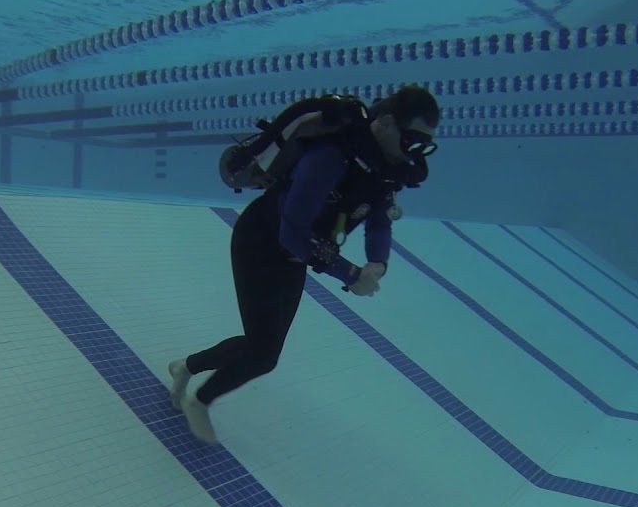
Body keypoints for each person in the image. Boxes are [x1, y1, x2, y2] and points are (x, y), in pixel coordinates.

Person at [167, 84, 440, 444]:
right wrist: (350, 273)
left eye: (424, 144)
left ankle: (186, 367)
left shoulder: (384, 167)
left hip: (295, 255)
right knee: (264, 354)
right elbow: (292, 231)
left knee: (263, 347)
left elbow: (379, 219)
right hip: (262, 242)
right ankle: (199, 401)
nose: (414, 152)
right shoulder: (331, 155)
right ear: (387, 123)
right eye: (412, 139)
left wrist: (378, 262)